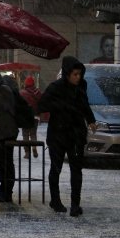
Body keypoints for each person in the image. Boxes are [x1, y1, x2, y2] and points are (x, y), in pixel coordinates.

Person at [38, 56, 96, 217]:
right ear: (67, 74)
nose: (78, 77)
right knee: (56, 168)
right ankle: (55, 200)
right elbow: (41, 105)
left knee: (76, 170)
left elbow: (85, 104)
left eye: (80, 74)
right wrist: (62, 106)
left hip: (76, 134)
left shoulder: (81, 87)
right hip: (58, 134)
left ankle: (75, 204)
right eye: (75, 74)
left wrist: (90, 120)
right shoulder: (56, 88)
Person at [0, 69, 18, 203]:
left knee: (6, 162)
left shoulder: (3, 90)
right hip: (0, 132)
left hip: (6, 132)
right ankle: (4, 189)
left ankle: (7, 191)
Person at [20, 76, 42, 159]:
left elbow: (20, 105)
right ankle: (34, 147)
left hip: (25, 116)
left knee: (25, 134)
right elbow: (42, 102)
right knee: (33, 133)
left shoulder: (23, 93)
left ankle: (27, 152)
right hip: (35, 116)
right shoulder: (38, 92)